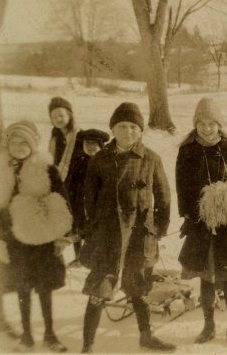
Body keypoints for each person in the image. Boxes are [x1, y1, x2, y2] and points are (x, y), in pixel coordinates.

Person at [79, 103, 175, 353]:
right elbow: (89, 196)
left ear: (141, 130)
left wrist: (158, 228)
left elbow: (163, 197)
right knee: (99, 289)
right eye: (122, 126)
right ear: (113, 129)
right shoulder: (100, 159)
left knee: (138, 288)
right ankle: (87, 346)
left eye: (134, 127)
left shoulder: (151, 158)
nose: (128, 131)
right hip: (107, 235)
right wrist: (93, 227)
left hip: (139, 234)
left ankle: (146, 336)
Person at [0, 120, 72, 352]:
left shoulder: (46, 169)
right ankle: (27, 335)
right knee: (21, 287)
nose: (18, 146)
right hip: (12, 241)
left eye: (24, 142)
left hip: (42, 238)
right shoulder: (0, 171)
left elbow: (62, 202)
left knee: (44, 286)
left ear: (33, 145)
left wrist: (61, 236)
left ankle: (50, 334)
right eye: (14, 141)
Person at [176, 97, 227, 345]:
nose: (207, 128)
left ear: (219, 124)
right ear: (196, 124)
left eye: (212, 123)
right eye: (202, 123)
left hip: (226, 223)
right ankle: (209, 326)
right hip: (200, 222)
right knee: (206, 277)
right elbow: (181, 187)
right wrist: (189, 214)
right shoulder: (187, 151)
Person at [64, 129, 109, 267]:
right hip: (78, 203)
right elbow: (70, 183)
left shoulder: (105, 163)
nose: (90, 147)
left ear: (101, 146)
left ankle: (93, 258)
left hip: (96, 204)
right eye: (87, 144)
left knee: (94, 231)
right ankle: (78, 257)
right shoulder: (78, 162)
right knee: (78, 229)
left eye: (93, 144)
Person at [47, 97, 83, 182]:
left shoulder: (80, 135)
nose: (58, 119)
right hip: (57, 180)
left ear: (69, 115)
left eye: (61, 116)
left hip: (75, 181)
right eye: (54, 117)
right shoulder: (55, 137)